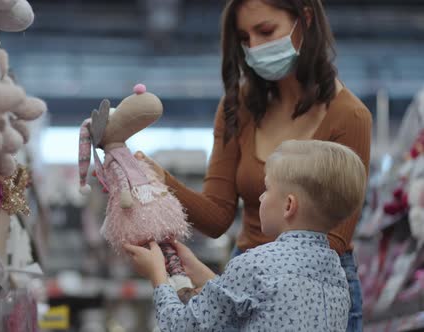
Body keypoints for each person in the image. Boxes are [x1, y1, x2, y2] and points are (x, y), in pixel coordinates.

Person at [134, 0, 372, 330]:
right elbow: (218, 215)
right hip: (247, 271)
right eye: (244, 39)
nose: (255, 48)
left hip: (309, 281)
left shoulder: (350, 117)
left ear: (304, 19)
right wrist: (160, 178)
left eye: (265, 31)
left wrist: (179, 280)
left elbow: (333, 238)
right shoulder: (239, 108)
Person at [124, 140, 368, 331]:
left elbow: (181, 326)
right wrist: (195, 269)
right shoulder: (336, 275)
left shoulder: (255, 265)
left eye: (267, 189)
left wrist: (157, 276)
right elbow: (255, 306)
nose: (261, 197)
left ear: (288, 206)